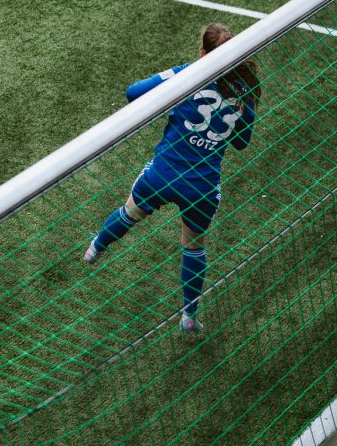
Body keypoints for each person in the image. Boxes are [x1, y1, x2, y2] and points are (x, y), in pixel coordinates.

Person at [83, 23, 260, 333]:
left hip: (162, 175)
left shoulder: (187, 74)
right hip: (201, 189)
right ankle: (189, 315)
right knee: (194, 247)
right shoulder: (244, 91)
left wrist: (178, 81)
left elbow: (133, 93)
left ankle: (96, 248)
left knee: (130, 212)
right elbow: (242, 143)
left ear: (203, 54)